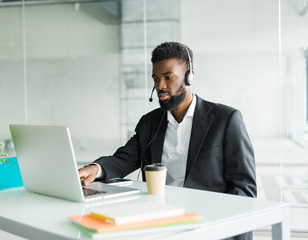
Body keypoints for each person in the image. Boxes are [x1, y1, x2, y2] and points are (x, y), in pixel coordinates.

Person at [79, 42, 257, 239]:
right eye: (156, 79)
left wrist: (215, 227)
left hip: (208, 226)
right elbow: (124, 158)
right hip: (161, 224)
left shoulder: (226, 119)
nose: (160, 86)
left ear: (189, 76)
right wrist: (96, 168)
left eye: (168, 77)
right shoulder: (149, 123)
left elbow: (244, 189)